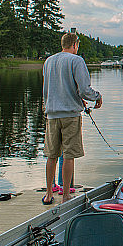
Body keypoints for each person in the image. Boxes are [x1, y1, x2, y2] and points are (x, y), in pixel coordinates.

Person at [42, 32, 102, 204]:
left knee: (51, 155)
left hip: (52, 114)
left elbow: (47, 89)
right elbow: (84, 89)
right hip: (70, 115)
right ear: (75, 44)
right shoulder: (77, 60)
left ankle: (48, 194)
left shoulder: (48, 61)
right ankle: (66, 195)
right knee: (68, 155)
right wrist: (97, 97)